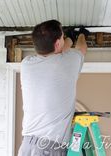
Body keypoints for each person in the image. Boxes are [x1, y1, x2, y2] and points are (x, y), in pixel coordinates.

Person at [18, 20, 89, 156]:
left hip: (27, 146)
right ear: (57, 43)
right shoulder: (69, 61)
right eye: (62, 37)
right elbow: (81, 49)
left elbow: (57, 53)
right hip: (50, 148)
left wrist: (67, 38)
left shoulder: (26, 64)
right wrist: (81, 35)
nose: (64, 40)